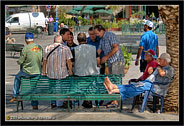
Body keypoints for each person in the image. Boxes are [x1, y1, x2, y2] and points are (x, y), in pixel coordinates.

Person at [103, 53, 174, 110]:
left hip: (157, 88)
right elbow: (151, 73)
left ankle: (113, 89)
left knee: (135, 87)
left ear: (165, 61)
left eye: (160, 59)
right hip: (150, 85)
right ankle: (113, 88)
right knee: (133, 86)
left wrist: (158, 68)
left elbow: (162, 74)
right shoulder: (159, 67)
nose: (158, 60)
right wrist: (152, 69)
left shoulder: (170, 69)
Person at [10, 33, 43, 110]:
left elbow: (21, 61)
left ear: (26, 40)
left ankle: (15, 95)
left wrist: (18, 61)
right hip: (37, 71)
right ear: (33, 39)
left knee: (17, 77)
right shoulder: (39, 47)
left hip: (27, 72)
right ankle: (35, 105)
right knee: (33, 88)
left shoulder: (25, 48)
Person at [94, 25, 124, 107]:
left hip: (117, 61)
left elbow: (116, 48)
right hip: (110, 62)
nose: (96, 35)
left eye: (97, 33)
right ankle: (113, 100)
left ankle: (115, 102)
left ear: (102, 31)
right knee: (111, 81)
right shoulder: (101, 39)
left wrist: (106, 57)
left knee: (116, 81)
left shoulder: (110, 35)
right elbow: (99, 51)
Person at [42, 35, 73, 109]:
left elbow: (44, 61)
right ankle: (60, 104)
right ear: (61, 41)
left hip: (51, 73)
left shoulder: (47, 48)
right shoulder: (65, 48)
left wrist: (44, 71)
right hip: (62, 73)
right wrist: (70, 71)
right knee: (62, 88)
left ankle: (53, 103)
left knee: (52, 88)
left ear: (54, 41)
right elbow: (69, 61)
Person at [72, 33, 100, 108]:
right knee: (90, 85)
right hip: (92, 74)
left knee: (80, 85)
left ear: (78, 41)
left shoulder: (75, 49)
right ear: (86, 40)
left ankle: (86, 101)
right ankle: (88, 100)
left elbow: (72, 63)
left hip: (79, 74)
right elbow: (98, 61)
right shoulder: (93, 48)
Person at [87, 27, 105, 106]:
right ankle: (90, 100)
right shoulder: (87, 41)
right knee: (91, 83)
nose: (92, 36)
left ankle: (99, 98)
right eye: (90, 34)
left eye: (93, 34)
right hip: (90, 65)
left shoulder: (101, 40)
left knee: (100, 82)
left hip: (100, 64)